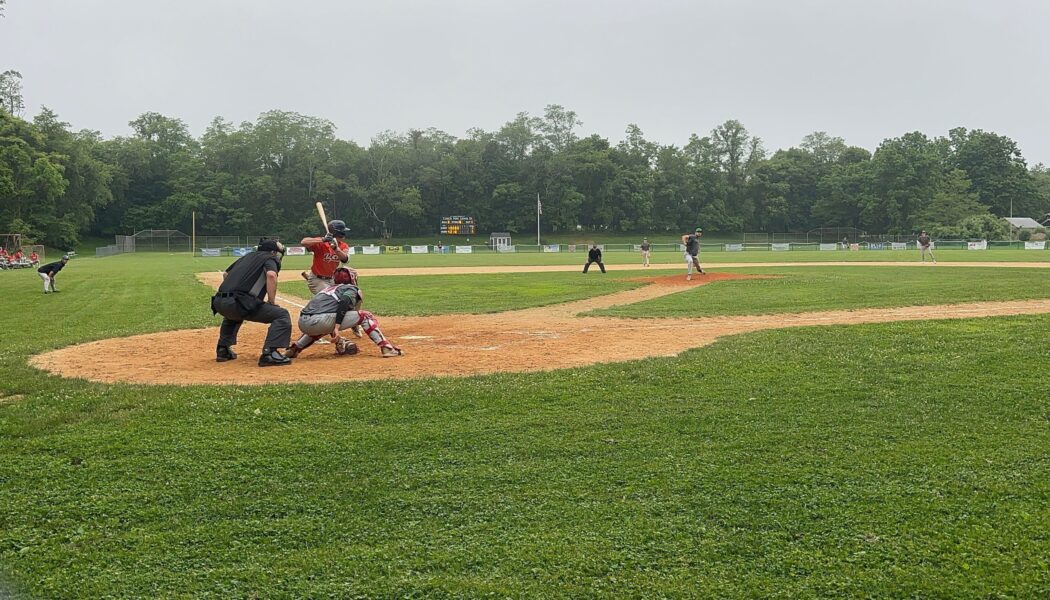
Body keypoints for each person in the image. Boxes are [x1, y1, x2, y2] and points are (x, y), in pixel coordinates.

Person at [285, 267, 404, 358]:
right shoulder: (351, 288)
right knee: (365, 316)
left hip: (303, 322)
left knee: (321, 326)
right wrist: (336, 327)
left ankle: (294, 349)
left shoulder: (326, 289)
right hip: (322, 320)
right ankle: (387, 348)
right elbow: (344, 301)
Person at [210, 240, 293, 367]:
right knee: (281, 315)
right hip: (237, 303)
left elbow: (226, 274)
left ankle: (223, 350)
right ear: (273, 252)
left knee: (234, 315)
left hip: (219, 302)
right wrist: (272, 301)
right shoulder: (270, 258)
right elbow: (271, 275)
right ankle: (270, 354)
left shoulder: (247, 257)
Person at [300, 219, 351, 295]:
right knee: (330, 298)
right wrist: (323, 239)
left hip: (332, 279)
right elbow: (303, 242)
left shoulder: (343, 245)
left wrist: (336, 249)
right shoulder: (321, 243)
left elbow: (345, 259)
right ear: (339, 233)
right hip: (317, 279)